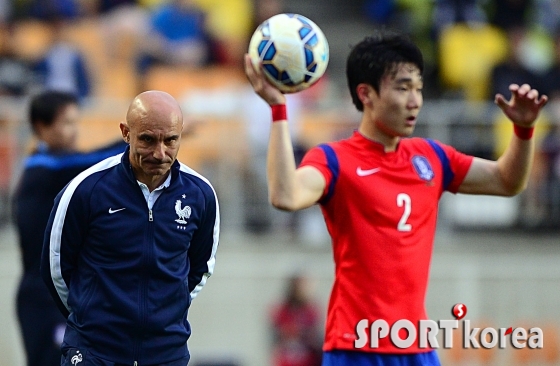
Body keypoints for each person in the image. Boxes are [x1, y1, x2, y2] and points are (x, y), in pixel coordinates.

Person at [244, 31, 547, 365]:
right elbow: (286, 195)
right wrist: (278, 109)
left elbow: (507, 181)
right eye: (403, 88)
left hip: (417, 345)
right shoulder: (333, 159)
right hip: (356, 346)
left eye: (417, 88)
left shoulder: (432, 157)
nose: (415, 100)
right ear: (366, 94)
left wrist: (523, 132)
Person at [40, 90, 220, 365]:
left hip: (166, 353)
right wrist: (89, 315)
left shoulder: (201, 195)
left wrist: (164, 314)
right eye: (148, 139)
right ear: (126, 133)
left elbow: (199, 268)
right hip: (94, 352)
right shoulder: (86, 190)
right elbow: (55, 270)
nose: (160, 153)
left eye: (171, 140)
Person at [12, 90, 128, 366]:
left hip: (63, 293)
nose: (74, 132)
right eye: (67, 123)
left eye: (76, 123)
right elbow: (94, 161)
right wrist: (138, 140)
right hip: (41, 298)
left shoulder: (55, 167)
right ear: (42, 127)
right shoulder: (44, 168)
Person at [270, 274, 322, 366]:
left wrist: (300, 332)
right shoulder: (281, 311)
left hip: (308, 361)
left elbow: (316, 337)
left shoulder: (311, 311)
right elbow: (274, 337)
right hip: (286, 361)